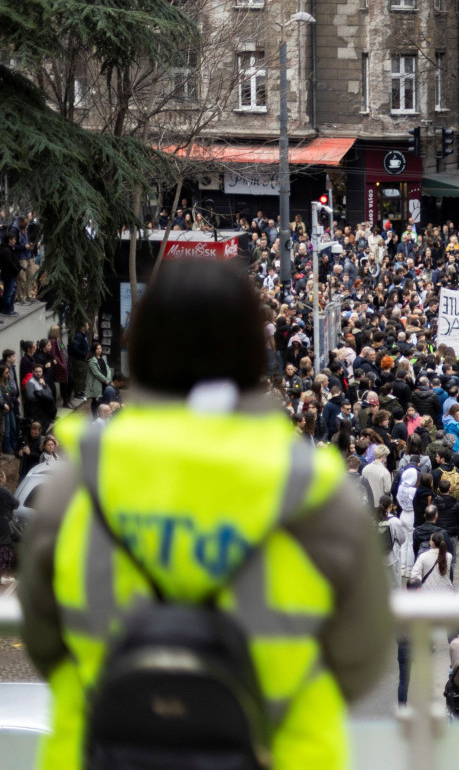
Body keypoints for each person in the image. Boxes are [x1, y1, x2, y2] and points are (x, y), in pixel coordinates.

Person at [17, 260, 392, 769]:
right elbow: (361, 656)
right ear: (253, 353)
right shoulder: (319, 494)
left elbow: (43, 637)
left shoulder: (76, 484)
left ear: (140, 349)